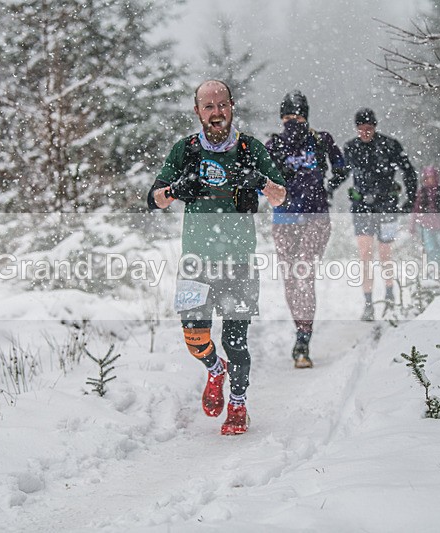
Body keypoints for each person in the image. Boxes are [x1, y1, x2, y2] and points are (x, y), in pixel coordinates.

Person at [147, 80, 286, 436]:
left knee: (235, 340)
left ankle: (238, 405)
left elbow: (281, 196)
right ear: (197, 112)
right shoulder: (187, 151)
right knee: (194, 337)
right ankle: (214, 369)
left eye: (221, 105)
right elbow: (154, 199)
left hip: (239, 260)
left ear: (232, 106)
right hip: (195, 261)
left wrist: (260, 183)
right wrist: (176, 190)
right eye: (208, 107)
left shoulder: (249, 148)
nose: (216, 112)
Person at [265, 90, 347, 368]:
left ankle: (303, 338)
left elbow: (342, 167)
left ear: (306, 116)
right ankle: (300, 331)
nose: (293, 120)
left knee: (303, 273)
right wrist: (276, 182)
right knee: (291, 279)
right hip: (284, 219)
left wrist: (328, 188)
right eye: (287, 116)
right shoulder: (273, 145)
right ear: (281, 117)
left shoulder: (321, 139)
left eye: (297, 115)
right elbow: (258, 178)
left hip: (316, 217)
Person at [339, 108, 417, 321]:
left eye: (369, 128)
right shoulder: (351, 148)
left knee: (385, 255)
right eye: (362, 129)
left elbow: (408, 170)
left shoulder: (390, 145)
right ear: (356, 128)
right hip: (362, 207)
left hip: (387, 207)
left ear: (375, 126)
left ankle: (390, 297)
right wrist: (327, 188)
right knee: (365, 255)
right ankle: (368, 303)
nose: (365, 132)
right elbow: (342, 173)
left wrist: (410, 198)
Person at [411, 165, 440, 271]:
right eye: (427, 178)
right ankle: (432, 270)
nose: (430, 180)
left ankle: (438, 268)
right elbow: (416, 209)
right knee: (430, 248)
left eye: (432, 177)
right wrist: (412, 224)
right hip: (426, 225)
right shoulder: (422, 192)